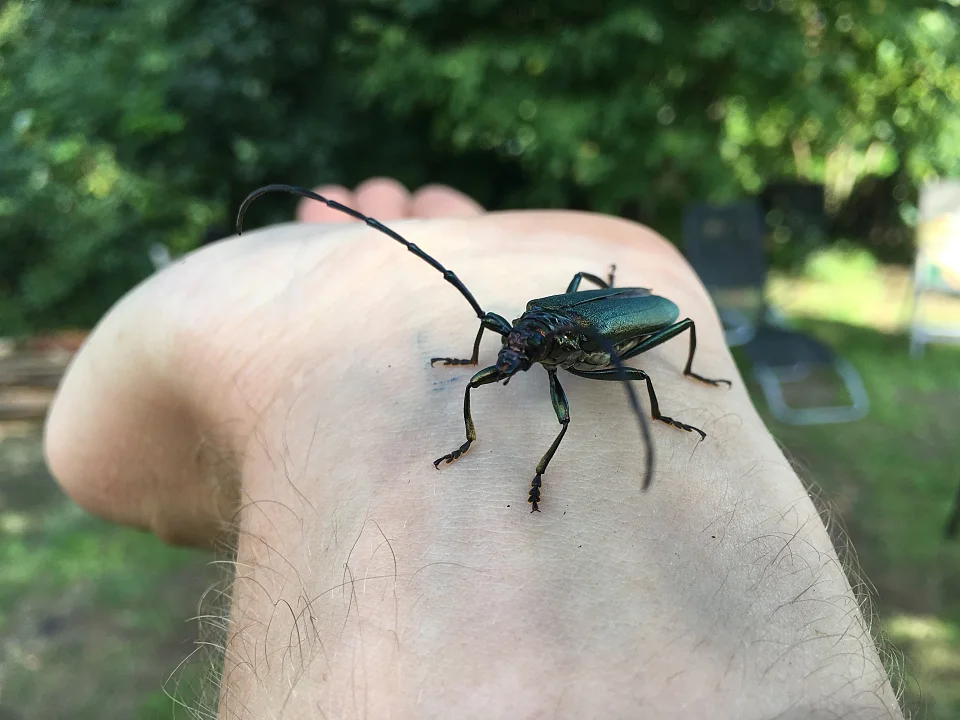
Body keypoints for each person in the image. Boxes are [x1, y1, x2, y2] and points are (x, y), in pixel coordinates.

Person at [44, 178, 903, 719]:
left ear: (548, 352)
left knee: (621, 395)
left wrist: (666, 404)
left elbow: (630, 361)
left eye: (521, 356)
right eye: (510, 350)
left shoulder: (574, 363)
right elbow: (501, 351)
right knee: (473, 386)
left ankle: (663, 413)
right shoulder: (518, 332)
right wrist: (480, 354)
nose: (512, 362)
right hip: (587, 302)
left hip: (636, 319)